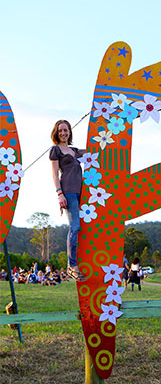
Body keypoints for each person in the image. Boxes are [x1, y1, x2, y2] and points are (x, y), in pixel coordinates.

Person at [49, 119, 86, 282]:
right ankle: (72, 266)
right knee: (75, 226)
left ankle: (82, 262)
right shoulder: (55, 150)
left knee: (83, 227)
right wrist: (59, 194)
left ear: (70, 132)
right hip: (68, 191)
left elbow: (94, 149)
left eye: (66, 130)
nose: (63, 133)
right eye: (60, 130)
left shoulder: (74, 151)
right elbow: (54, 174)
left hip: (82, 192)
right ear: (56, 133)